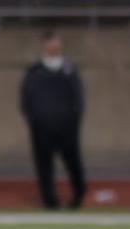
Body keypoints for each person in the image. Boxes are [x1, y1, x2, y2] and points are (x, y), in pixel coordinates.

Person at [21, 31, 87, 210]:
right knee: (44, 165)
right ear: (44, 45)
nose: (53, 46)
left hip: (67, 127)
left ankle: (78, 194)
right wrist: (35, 119)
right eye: (50, 42)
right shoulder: (35, 71)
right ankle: (49, 199)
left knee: (73, 162)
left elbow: (78, 97)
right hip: (42, 127)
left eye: (56, 42)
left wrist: (73, 119)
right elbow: (26, 99)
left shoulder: (69, 69)